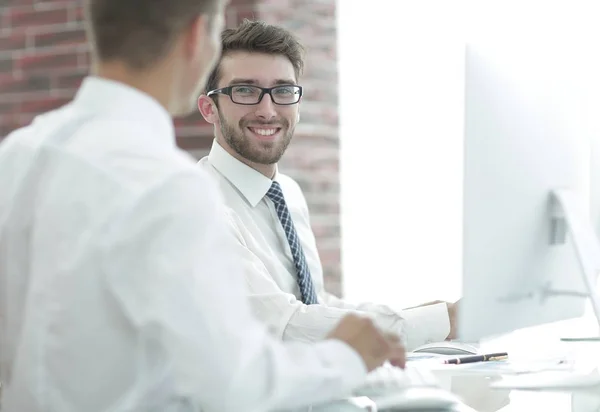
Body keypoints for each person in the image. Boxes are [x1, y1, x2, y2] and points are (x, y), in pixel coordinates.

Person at [0, 2, 406, 411]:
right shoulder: (169, 187)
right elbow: (236, 387)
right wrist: (346, 357)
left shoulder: (17, 154)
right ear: (198, 36)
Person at [197, 19, 460, 351]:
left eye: (283, 91)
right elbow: (286, 326)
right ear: (210, 108)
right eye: (245, 90)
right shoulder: (200, 207)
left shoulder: (286, 193)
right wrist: (440, 322)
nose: (267, 110)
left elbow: (315, 306)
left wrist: (425, 316)